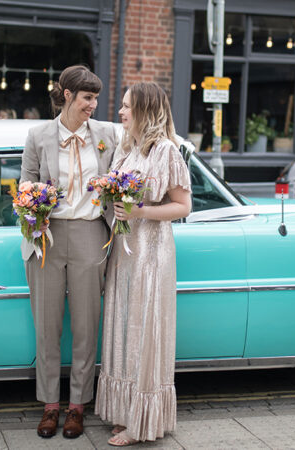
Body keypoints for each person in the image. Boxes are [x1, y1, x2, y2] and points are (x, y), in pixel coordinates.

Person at [20, 64, 118, 439]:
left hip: (91, 232)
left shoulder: (107, 134)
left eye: (96, 98)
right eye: (87, 98)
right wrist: (34, 204)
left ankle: (78, 405)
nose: (93, 105)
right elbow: (25, 183)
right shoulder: (38, 136)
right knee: (47, 326)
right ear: (67, 95)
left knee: (85, 325)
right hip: (47, 236)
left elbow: (123, 175)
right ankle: (50, 405)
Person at [95, 82, 192, 447]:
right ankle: (126, 412)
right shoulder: (127, 148)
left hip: (152, 252)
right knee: (125, 328)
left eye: (127, 106)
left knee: (145, 330)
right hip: (125, 251)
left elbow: (183, 206)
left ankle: (142, 423)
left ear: (145, 111)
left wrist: (140, 211)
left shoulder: (166, 150)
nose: (120, 112)